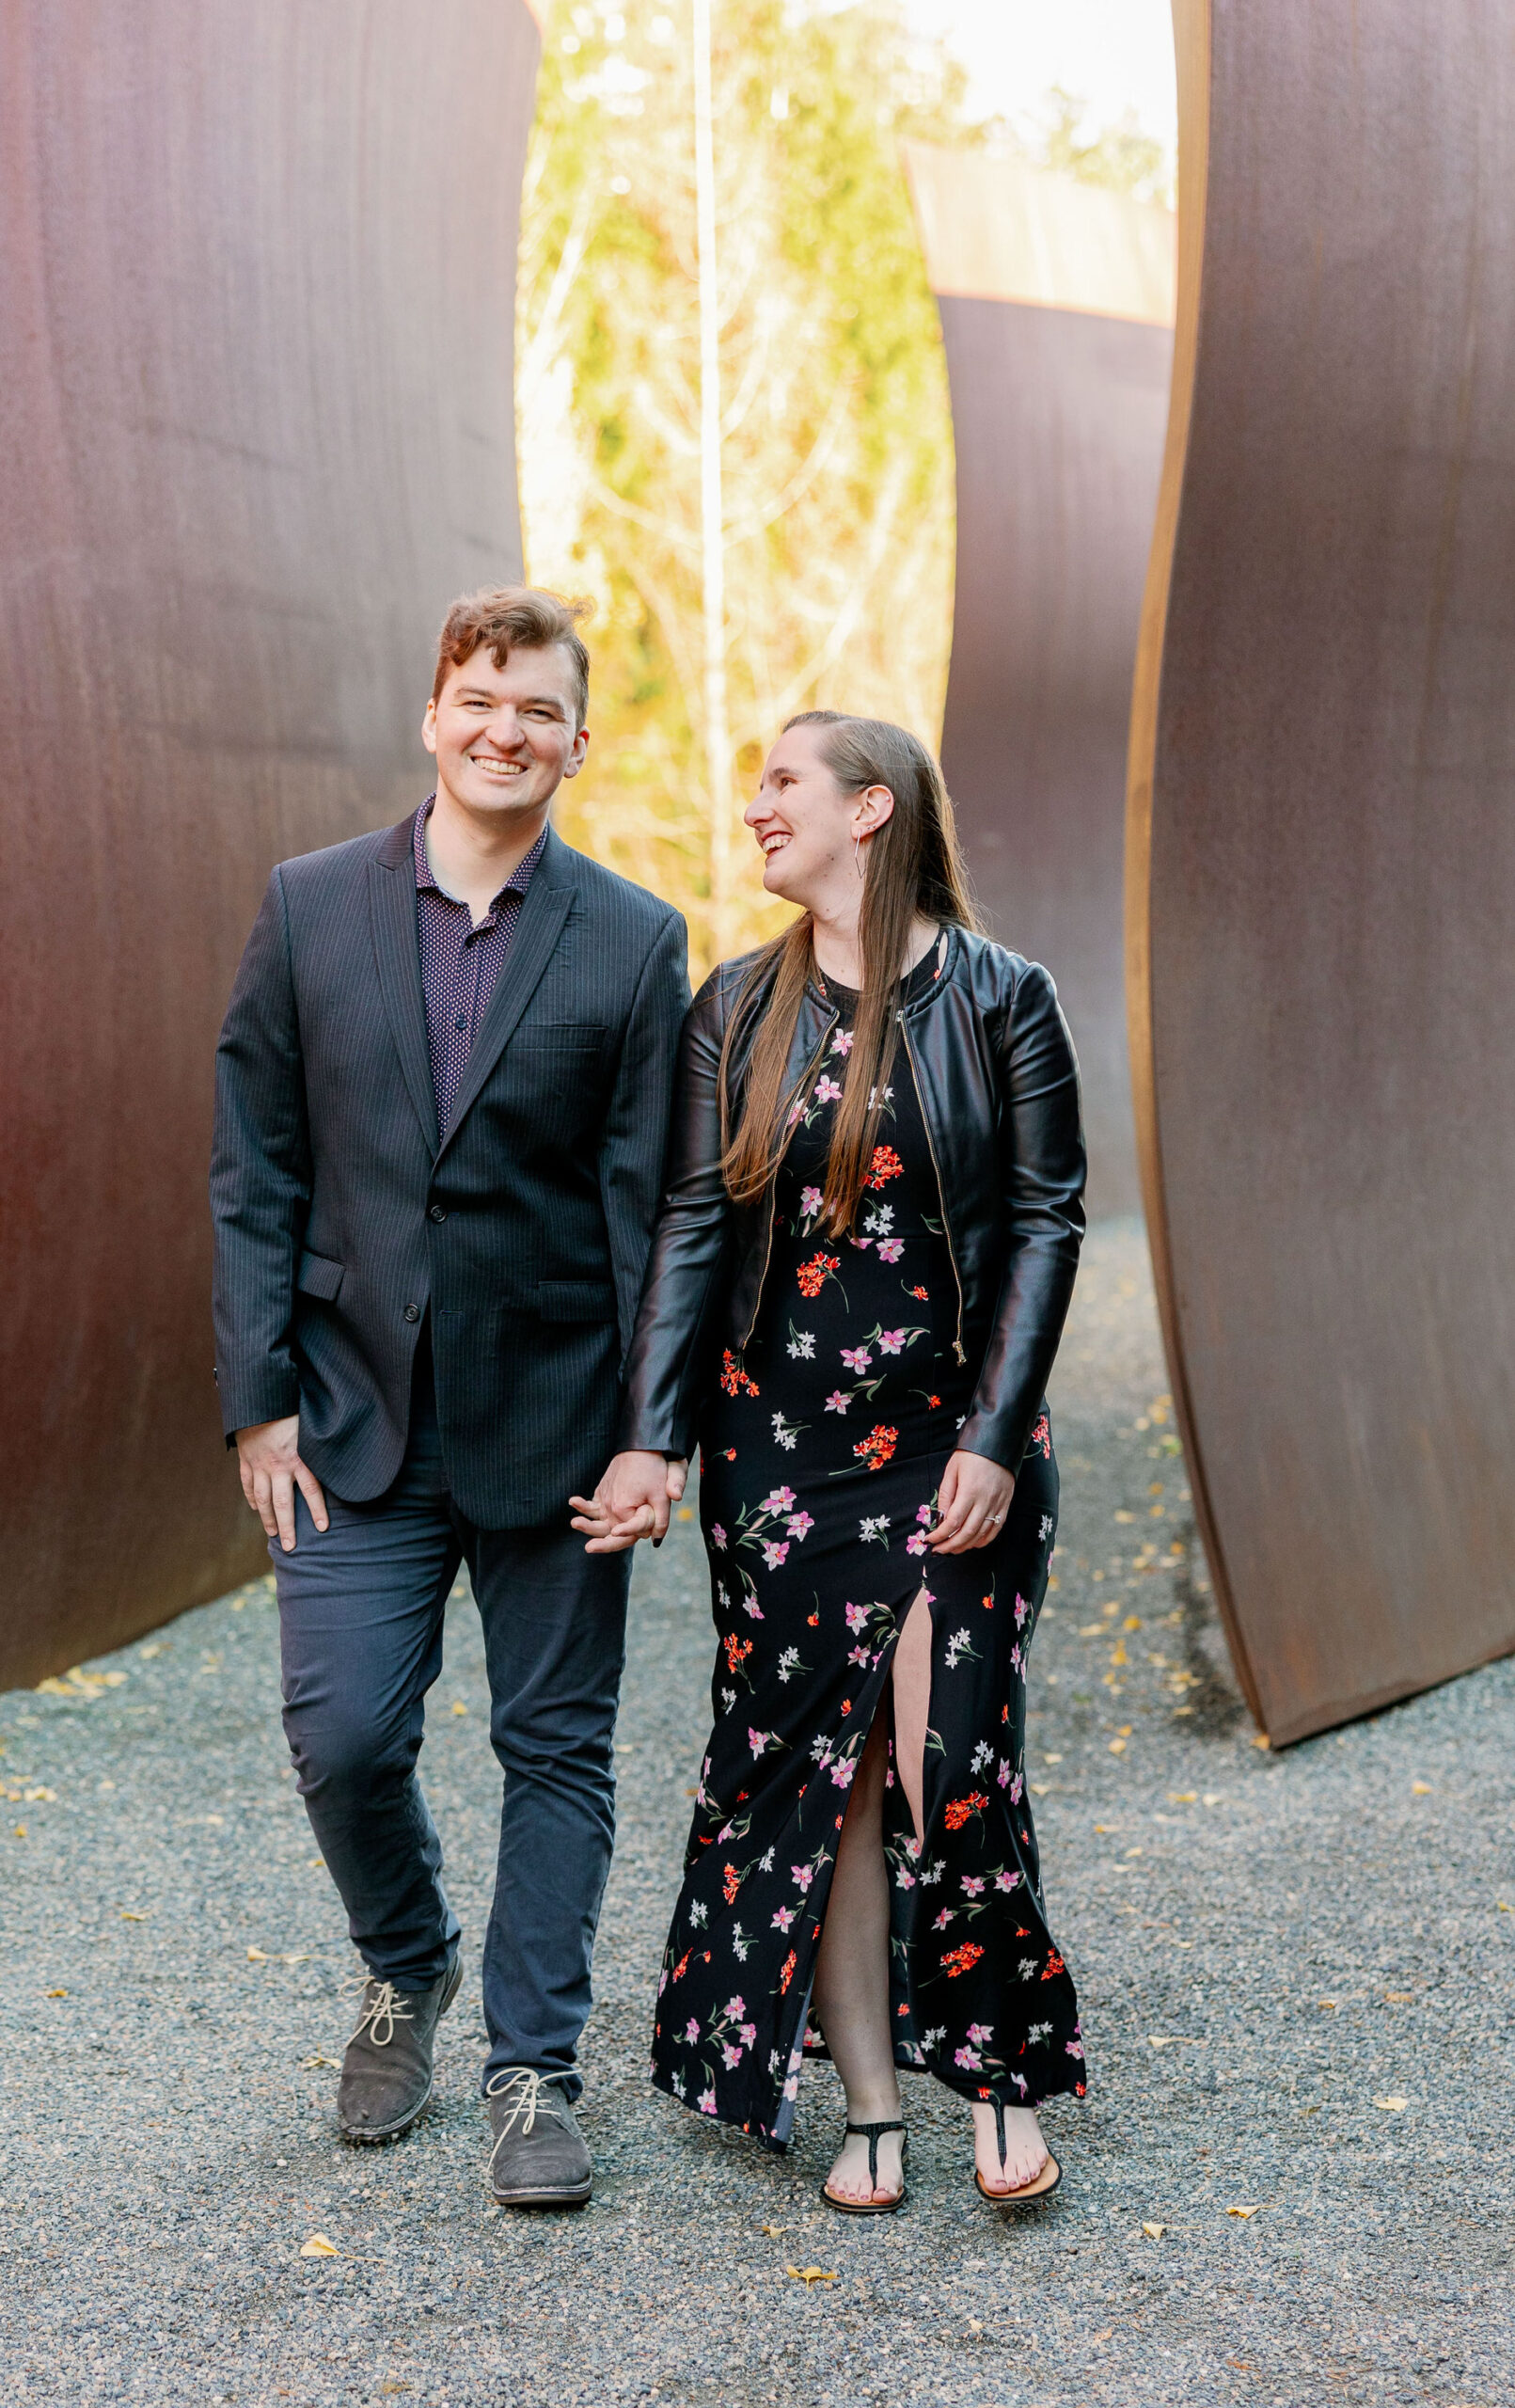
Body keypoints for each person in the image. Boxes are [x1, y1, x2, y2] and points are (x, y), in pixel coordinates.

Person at [211, 586, 689, 2207]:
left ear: (575, 741)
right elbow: (254, 1168)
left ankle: (532, 2070)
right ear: (434, 714)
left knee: (557, 1747)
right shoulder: (308, 905)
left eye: (539, 709)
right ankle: (402, 1964)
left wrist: (653, 1429)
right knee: (343, 1735)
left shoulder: (633, 939)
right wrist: (256, 1400)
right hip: (348, 1418)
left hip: (560, 1423)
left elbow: (655, 1206)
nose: (506, 730)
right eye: (481, 699)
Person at [573, 711, 1087, 2211]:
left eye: (781, 782)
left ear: (872, 810)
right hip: (780, 1455)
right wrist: (654, 1439)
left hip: (952, 1449)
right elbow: (690, 1226)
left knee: (955, 1765)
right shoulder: (733, 1008)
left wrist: (997, 1435)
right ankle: (870, 2101)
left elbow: (1047, 1219)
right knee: (827, 1778)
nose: (754, 807)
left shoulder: (1005, 1000)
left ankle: (995, 2074)